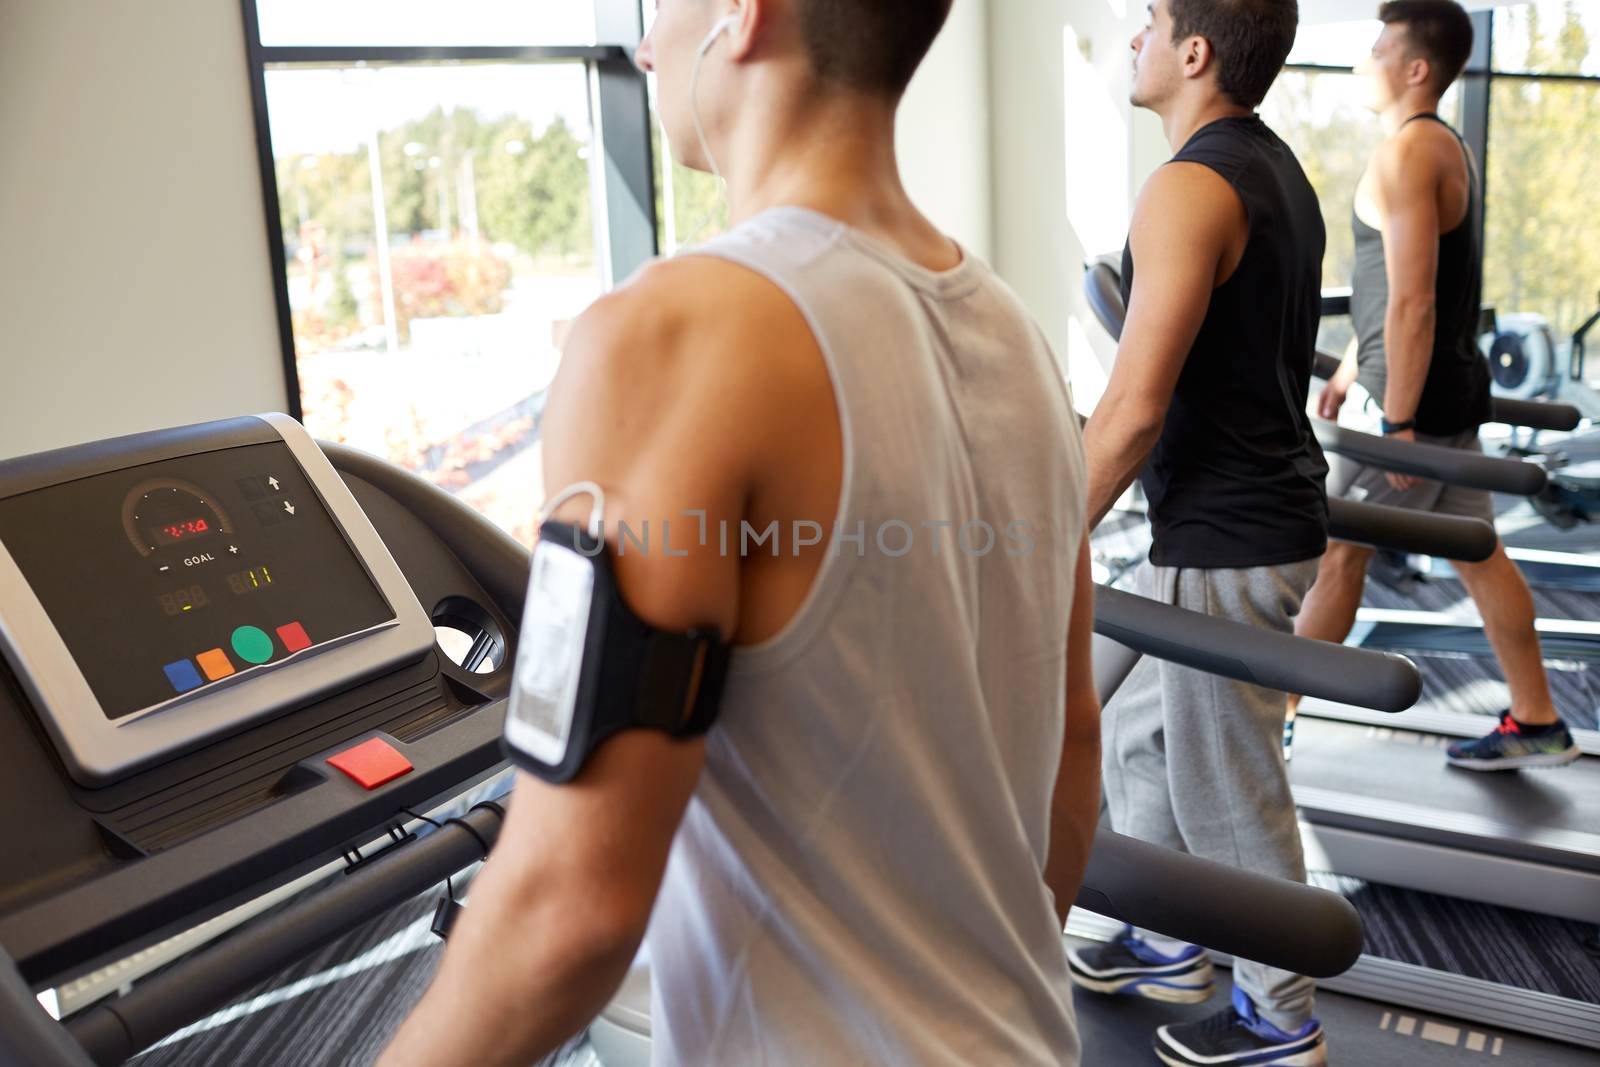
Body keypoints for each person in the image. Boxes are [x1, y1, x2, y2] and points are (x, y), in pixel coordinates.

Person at [376, 2, 1100, 1065]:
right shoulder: (1022, 342)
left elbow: (564, 911)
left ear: (742, 16)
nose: (642, 43)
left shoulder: (675, 333)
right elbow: (1071, 753)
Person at [1070, 2, 1331, 1065]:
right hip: (1225, 521)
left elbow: (1132, 408)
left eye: (1149, 19)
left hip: (1227, 538)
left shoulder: (1184, 185)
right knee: (1134, 727)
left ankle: (1282, 1014)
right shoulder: (1272, 169)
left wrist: (1037, 546)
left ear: (1194, 51)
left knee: (1223, 787)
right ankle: (1169, 940)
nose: (1131, 34)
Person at [1294, 0, 1580, 772]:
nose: (1367, 57)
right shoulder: (1436, 146)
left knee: (1336, 557)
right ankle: (1539, 717)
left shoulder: (1408, 155)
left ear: (1415, 67)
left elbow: (1416, 301)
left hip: (1410, 412)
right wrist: (1355, 360)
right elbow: (1401, 288)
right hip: (1434, 392)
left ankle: (1267, 714)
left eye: (1381, 45)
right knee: (1482, 556)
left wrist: (1395, 421)